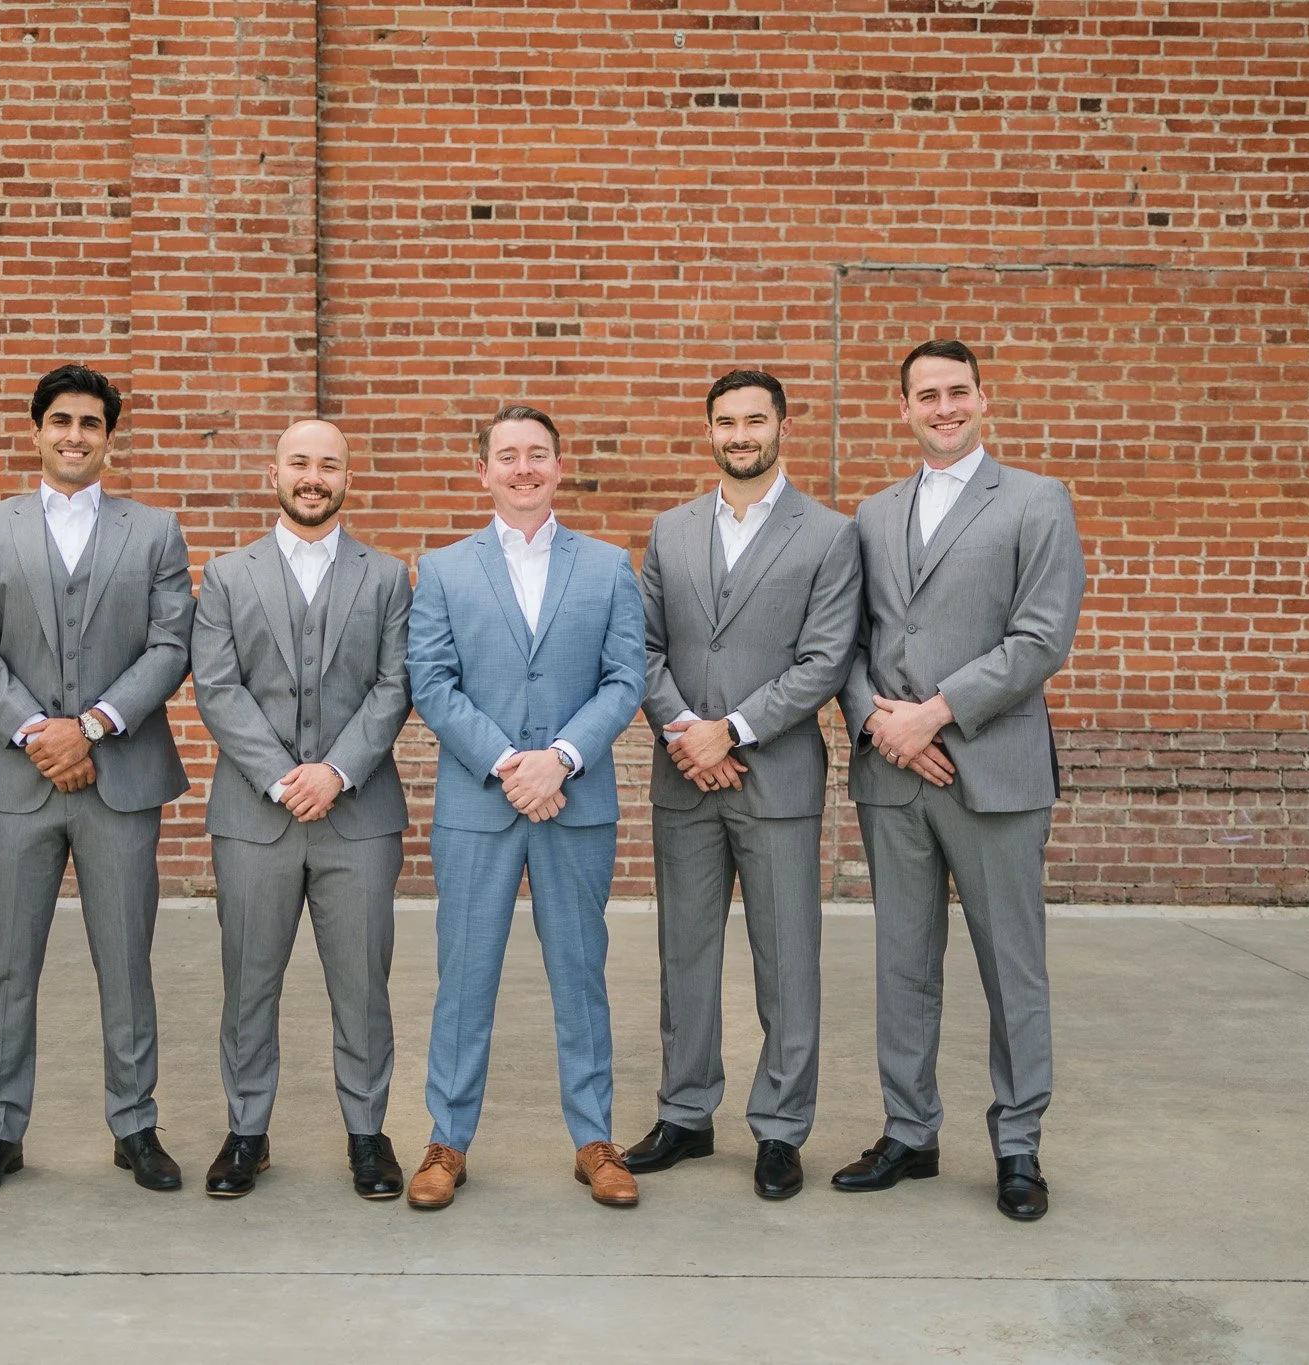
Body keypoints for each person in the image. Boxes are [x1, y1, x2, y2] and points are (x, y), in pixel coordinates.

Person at [832, 340, 1086, 1222]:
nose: (943, 407)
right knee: (904, 962)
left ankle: (1019, 1143)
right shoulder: (871, 513)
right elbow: (848, 640)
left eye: (957, 392)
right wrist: (878, 722)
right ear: (902, 408)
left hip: (994, 771)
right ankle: (910, 1130)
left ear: (985, 399)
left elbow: (1040, 637)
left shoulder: (1035, 501)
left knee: (1010, 963)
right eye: (925, 396)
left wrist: (931, 715)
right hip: (893, 772)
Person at [0, 364, 196, 1199]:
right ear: (36, 429)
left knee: (126, 960)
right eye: (60, 420)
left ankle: (135, 1124)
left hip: (120, 777)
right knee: (8, 963)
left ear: (109, 436)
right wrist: (35, 731)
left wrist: (88, 726)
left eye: (90, 422)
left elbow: (169, 645)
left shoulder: (155, 531)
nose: (74, 435)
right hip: (15, 779)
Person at [403, 403, 647, 1210]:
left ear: (558, 464)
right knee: (464, 975)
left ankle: (594, 1140)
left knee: (580, 973)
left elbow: (624, 680)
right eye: (506, 455)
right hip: (481, 802)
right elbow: (433, 684)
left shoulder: (610, 567)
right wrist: (512, 763)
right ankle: (447, 1139)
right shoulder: (441, 570)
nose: (522, 467)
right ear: (483, 471)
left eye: (537, 452)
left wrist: (562, 759)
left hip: (575, 801)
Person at [628, 369, 861, 1200]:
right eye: (725, 421)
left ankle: (779, 1127)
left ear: (782, 426)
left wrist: (736, 729)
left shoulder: (830, 535)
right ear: (709, 432)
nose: (739, 434)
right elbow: (642, 646)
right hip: (684, 775)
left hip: (777, 776)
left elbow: (825, 658)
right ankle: (686, 1113)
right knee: (683, 954)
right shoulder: (670, 530)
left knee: (786, 958)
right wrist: (688, 732)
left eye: (754, 420)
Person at [190, 420, 415, 1200]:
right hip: (256, 814)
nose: (313, 476)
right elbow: (216, 687)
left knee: (362, 982)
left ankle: (368, 1133)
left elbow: (395, 687)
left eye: (328, 464)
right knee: (249, 979)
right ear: (272, 472)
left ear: (349, 475)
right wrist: (286, 777)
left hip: (360, 815)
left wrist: (339, 772)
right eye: (299, 462)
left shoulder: (387, 577)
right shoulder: (224, 575)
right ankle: (247, 1131)